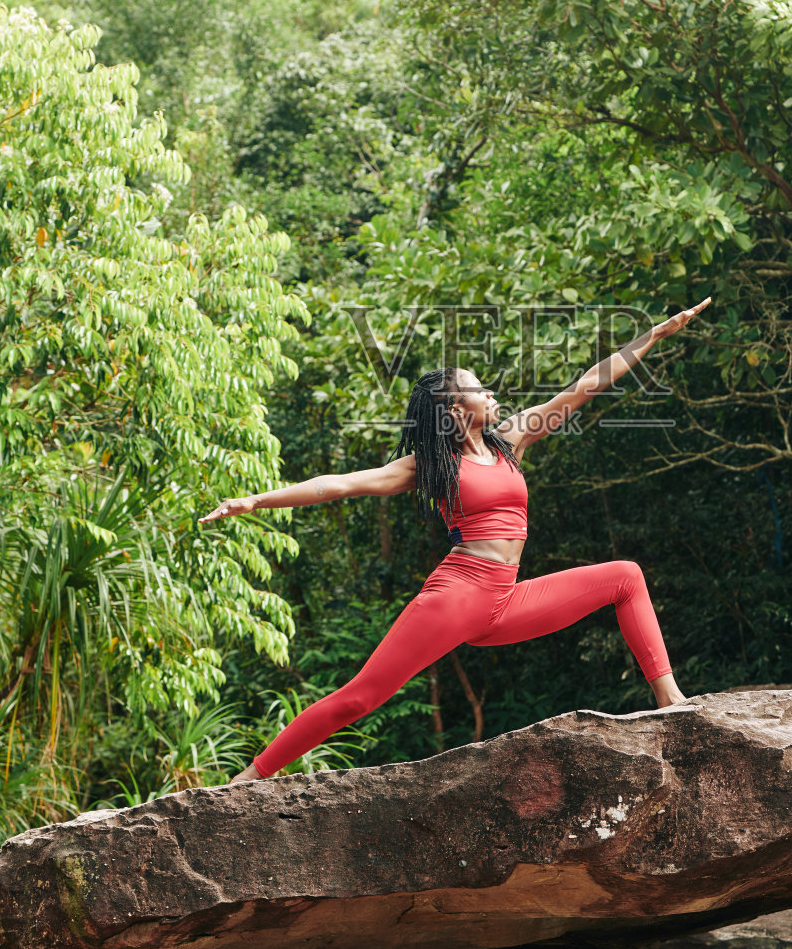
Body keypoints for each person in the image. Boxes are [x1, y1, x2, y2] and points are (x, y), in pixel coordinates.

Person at [199, 299, 712, 780]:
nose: (491, 393)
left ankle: (670, 701)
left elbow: (584, 386)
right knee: (361, 697)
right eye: (478, 389)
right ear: (452, 408)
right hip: (458, 596)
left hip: (505, 601)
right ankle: (250, 776)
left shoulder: (510, 439)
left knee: (625, 576)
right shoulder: (428, 464)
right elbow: (337, 485)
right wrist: (256, 500)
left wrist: (653, 335)